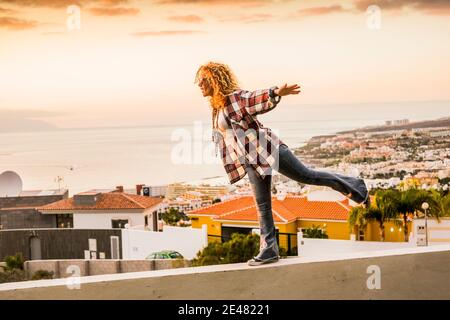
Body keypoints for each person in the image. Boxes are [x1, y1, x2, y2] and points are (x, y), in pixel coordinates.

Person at [194, 61, 370, 266]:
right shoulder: (218, 107)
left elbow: (254, 99)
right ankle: (269, 249)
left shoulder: (235, 98)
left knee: (308, 176)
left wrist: (276, 92)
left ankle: (356, 187)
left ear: (215, 80)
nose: (199, 84)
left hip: (269, 150)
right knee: (262, 206)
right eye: (198, 81)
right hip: (253, 161)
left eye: (202, 80)